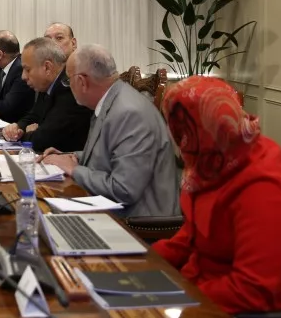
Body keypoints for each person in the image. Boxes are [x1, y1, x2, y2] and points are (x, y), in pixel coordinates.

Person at [153, 77, 281, 314]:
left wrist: (173, 298)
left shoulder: (264, 191)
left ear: (202, 133)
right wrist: (142, 263)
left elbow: (251, 290)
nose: (180, 143)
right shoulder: (218, 162)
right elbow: (191, 238)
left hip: (260, 317)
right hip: (203, 292)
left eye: (182, 132)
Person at [42, 44, 179, 217]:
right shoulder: (112, 99)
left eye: (68, 80)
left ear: (82, 81)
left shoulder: (129, 113)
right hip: (113, 208)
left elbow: (123, 190)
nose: (68, 86)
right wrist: (71, 156)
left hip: (137, 221)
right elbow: (112, 154)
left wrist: (74, 169)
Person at [1, 37, 92, 152]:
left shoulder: (69, 88)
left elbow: (43, 140)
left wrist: (27, 134)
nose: (23, 76)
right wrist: (18, 127)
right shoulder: (46, 85)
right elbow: (34, 115)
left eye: (27, 70)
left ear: (47, 67)